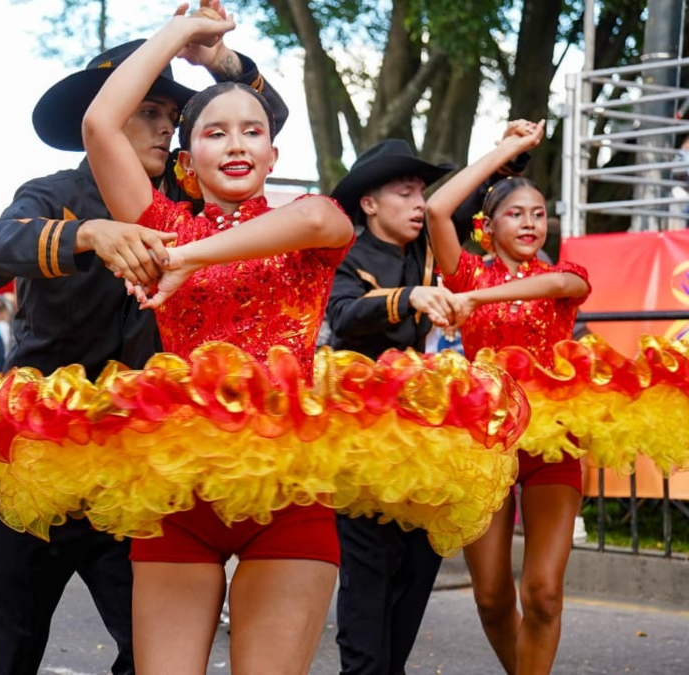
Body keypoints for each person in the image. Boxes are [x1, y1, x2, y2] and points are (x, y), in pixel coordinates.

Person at [0, 2, 287, 671]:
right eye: (149, 110)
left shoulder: (183, 201)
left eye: (173, 117)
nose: (166, 127)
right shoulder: (50, 191)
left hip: (140, 466)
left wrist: (218, 61)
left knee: (152, 651)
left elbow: (261, 122)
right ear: (107, 118)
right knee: (3, 650)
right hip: (36, 459)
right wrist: (87, 234)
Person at [81, 9, 353, 673]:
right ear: (188, 157)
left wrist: (189, 260)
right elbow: (99, 125)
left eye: (252, 131)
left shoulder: (303, 226)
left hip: (290, 487)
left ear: (271, 153)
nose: (236, 144)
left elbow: (321, 216)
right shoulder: (162, 224)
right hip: (180, 490)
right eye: (215, 132)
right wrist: (180, 35)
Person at [425, 119, 590, 675]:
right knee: (492, 597)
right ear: (487, 225)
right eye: (515, 213)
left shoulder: (566, 274)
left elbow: (553, 287)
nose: (530, 222)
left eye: (539, 213)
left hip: (554, 442)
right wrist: (506, 151)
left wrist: (478, 299)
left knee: (542, 592)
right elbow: (434, 211)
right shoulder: (465, 271)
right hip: (485, 442)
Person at [325, 140, 458, 675]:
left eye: (421, 193)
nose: (419, 203)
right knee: (368, 567)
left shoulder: (427, 248)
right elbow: (343, 315)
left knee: (421, 561)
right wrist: (407, 299)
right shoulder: (346, 257)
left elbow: (460, 204)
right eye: (405, 193)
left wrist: (511, 153)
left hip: (422, 431)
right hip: (360, 431)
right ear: (370, 204)